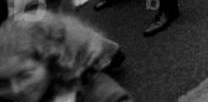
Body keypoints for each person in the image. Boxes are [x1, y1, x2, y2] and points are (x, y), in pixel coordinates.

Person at [0, 12, 130, 101]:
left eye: (24, 75)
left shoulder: (103, 96)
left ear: (52, 60)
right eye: (3, 82)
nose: (15, 90)